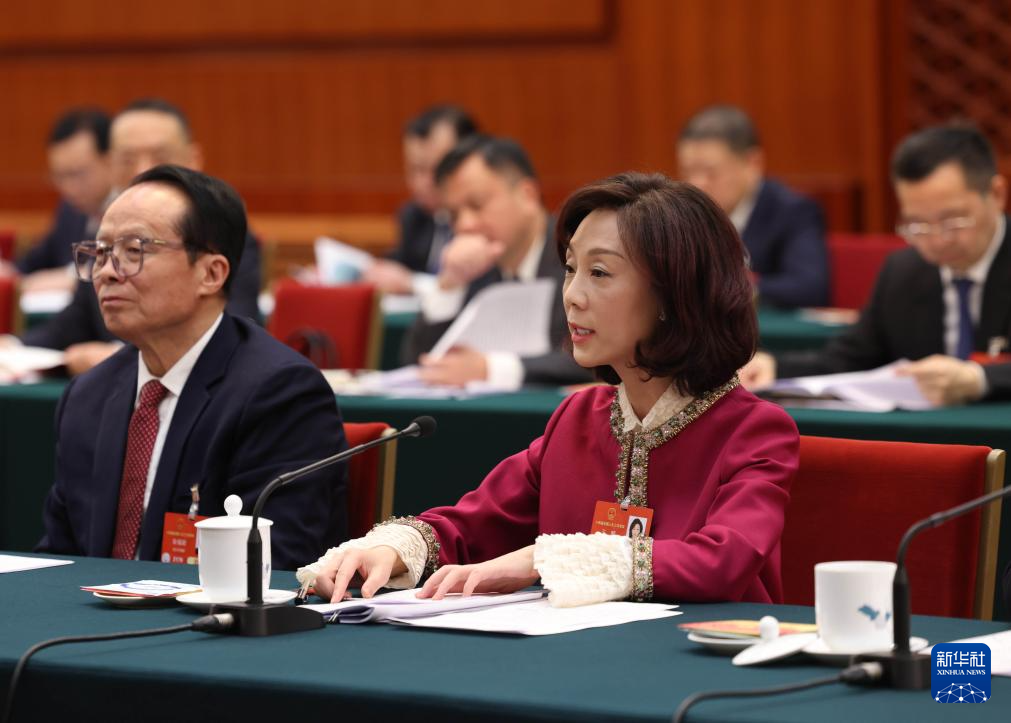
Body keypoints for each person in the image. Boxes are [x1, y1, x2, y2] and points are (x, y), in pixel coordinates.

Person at [299, 173, 798, 606]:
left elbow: (720, 561)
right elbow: (473, 523)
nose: (572, 295)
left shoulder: (754, 429)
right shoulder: (577, 417)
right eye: (570, 269)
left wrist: (542, 559)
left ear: (675, 293)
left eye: (599, 272)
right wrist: (390, 549)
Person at [37, 165, 346, 570]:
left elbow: (273, 566)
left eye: (134, 251)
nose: (107, 272)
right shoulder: (88, 396)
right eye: (101, 252)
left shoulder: (279, 393)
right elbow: (59, 558)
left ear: (211, 273)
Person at [742, 124, 1011, 405]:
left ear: (997, 195)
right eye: (918, 224)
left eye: (953, 221)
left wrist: (978, 378)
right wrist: (775, 368)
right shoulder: (903, 272)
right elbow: (848, 359)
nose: (937, 241)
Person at [20, 99, 263, 375]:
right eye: (127, 160)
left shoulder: (222, 233)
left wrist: (119, 359)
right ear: (110, 166)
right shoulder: (105, 234)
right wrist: (14, 346)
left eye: (160, 156)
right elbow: (74, 323)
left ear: (193, 159)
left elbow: (235, 330)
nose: (143, 171)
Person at [401, 134, 592, 388]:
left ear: (527, 195)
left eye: (477, 205)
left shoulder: (578, 254)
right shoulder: (473, 269)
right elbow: (419, 366)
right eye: (454, 214)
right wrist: (449, 285)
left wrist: (490, 369)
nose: (465, 225)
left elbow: (594, 357)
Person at [677, 105, 829, 309]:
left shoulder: (792, 211)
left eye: (710, 172)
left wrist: (728, 288)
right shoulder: (681, 214)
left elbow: (810, 287)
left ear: (753, 163)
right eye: (688, 172)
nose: (697, 184)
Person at [362, 105, 478, 294]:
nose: (423, 182)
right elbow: (397, 266)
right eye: (415, 169)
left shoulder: (483, 221)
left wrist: (412, 283)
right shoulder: (414, 217)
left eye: (437, 168)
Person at [3, 109, 114, 292]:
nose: (68, 187)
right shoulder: (70, 210)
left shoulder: (130, 212)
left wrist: (72, 278)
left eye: (77, 174)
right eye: (59, 176)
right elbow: (33, 263)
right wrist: (8, 272)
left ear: (111, 162)